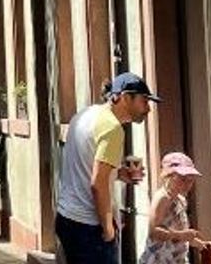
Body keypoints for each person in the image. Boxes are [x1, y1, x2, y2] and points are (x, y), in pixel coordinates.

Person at [56, 72, 159, 264]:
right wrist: (108, 228)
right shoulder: (113, 129)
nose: (148, 109)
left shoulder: (84, 115)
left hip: (66, 217)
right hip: (89, 226)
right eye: (144, 101)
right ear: (126, 98)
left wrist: (118, 174)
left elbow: (82, 166)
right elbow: (97, 184)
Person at [140, 152, 211, 263]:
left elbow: (180, 234)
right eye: (183, 179)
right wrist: (181, 235)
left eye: (191, 180)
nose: (187, 184)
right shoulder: (162, 198)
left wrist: (200, 244)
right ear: (168, 176)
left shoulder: (180, 200)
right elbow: (154, 231)